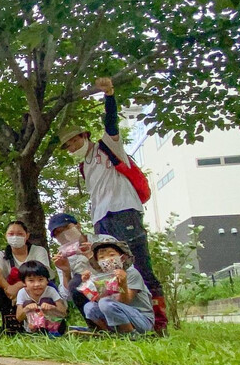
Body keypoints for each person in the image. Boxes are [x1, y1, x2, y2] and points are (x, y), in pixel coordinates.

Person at [59, 76, 166, 333]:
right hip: (101, 219)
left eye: (74, 140)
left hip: (123, 211)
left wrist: (109, 96)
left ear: (84, 136)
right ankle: (115, 325)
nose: (71, 146)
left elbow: (111, 124)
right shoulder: (84, 166)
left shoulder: (107, 148)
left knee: (139, 265)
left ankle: (159, 323)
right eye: (67, 145)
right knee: (106, 270)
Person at [47, 213, 116, 320]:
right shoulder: (62, 257)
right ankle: (97, 325)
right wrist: (66, 272)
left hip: (115, 288)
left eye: (66, 228)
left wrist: (91, 256)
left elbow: (120, 268)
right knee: (76, 283)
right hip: (90, 297)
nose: (63, 235)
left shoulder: (104, 241)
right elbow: (68, 296)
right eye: (58, 234)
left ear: (78, 226)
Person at [81, 240, 155, 335]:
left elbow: (125, 301)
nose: (107, 259)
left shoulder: (132, 274)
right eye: (102, 258)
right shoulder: (102, 278)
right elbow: (99, 300)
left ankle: (132, 333)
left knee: (105, 303)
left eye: (111, 255)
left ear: (122, 258)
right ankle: (108, 333)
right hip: (116, 313)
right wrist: (88, 284)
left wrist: (123, 283)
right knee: (89, 307)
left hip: (141, 319)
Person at [0, 221, 52, 335]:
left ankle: (43, 325)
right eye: (11, 234)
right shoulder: (1, 255)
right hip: (9, 293)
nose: (15, 237)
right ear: (6, 236)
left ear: (27, 235)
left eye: (19, 234)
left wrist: (19, 286)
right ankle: (8, 324)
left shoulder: (38, 251)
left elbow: (44, 272)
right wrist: (9, 288)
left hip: (34, 288)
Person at [15, 260, 67, 336]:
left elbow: (63, 313)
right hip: (32, 328)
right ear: (24, 283)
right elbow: (18, 317)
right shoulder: (22, 293)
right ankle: (35, 331)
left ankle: (53, 331)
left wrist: (52, 308)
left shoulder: (51, 290)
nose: (37, 284)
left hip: (51, 326)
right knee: (27, 303)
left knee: (45, 300)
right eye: (31, 281)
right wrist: (27, 309)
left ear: (47, 281)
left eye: (41, 280)